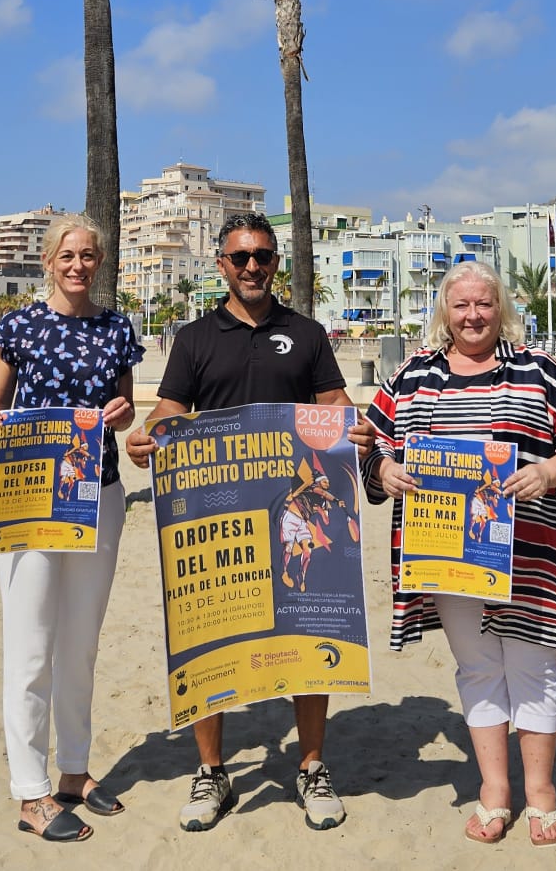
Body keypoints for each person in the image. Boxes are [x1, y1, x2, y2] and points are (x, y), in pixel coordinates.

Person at [124, 211, 374, 834]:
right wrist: (148, 434)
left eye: (263, 255)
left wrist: (357, 425)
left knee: (307, 621)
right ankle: (212, 772)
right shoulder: (194, 337)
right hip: (220, 513)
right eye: (241, 258)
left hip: (297, 510)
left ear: (276, 262)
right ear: (221, 266)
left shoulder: (308, 332)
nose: (253, 267)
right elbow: (173, 408)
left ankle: (311, 765)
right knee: (206, 631)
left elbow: (333, 405)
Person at [360, 261, 556, 846]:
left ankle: (541, 791)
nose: (473, 316)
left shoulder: (541, 371)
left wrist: (549, 471)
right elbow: (370, 444)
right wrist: (385, 471)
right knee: (476, 668)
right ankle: (495, 789)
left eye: (484, 304)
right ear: (445, 311)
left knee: (533, 667)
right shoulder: (411, 376)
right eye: (461, 305)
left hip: (531, 552)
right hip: (445, 554)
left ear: (502, 309)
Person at [0, 214, 142, 843]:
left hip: (99, 496)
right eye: (67, 255)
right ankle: (29, 792)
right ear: (48, 260)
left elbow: (121, 414)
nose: (77, 265)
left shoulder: (116, 327)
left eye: (88, 256)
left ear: (99, 262)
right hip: (30, 501)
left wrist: (123, 412)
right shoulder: (17, 327)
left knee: (81, 645)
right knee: (31, 648)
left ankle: (73, 772)